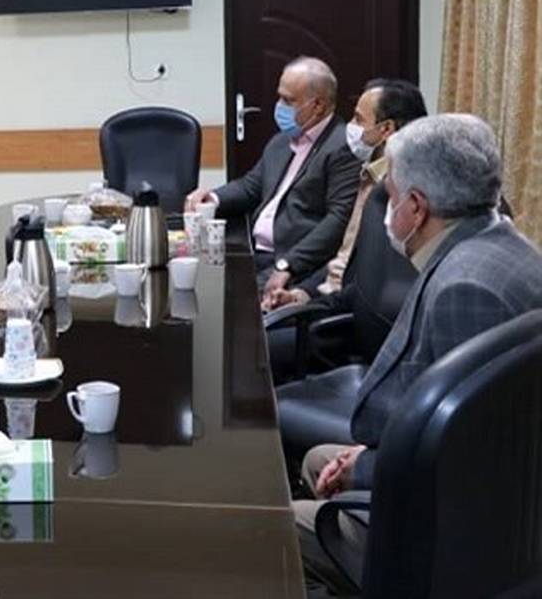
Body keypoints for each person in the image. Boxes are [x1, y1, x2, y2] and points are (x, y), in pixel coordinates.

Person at [291, 114, 542, 590]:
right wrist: (365, 458)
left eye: (390, 192)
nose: (385, 207)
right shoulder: (505, 243)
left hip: (456, 538)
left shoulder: (465, 291)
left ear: (416, 206)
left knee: (274, 526)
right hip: (490, 493)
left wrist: (366, 468)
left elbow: (466, 461)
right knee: (318, 459)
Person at [186, 57, 360, 295]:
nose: (279, 106)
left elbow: (338, 220)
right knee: (191, 280)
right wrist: (213, 198)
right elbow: (251, 186)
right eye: (280, 97)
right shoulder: (281, 141)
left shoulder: (342, 147)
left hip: (291, 262)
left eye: (288, 100)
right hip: (251, 250)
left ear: (318, 105)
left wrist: (289, 264)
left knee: (219, 300)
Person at [265, 78, 427, 310]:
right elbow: (343, 258)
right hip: (326, 296)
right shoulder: (368, 174)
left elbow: (365, 282)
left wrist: (307, 304)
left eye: (359, 119)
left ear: (386, 129)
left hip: (343, 311)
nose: (350, 126)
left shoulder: (396, 193)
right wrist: (300, 294)